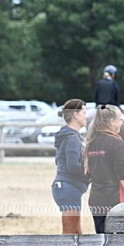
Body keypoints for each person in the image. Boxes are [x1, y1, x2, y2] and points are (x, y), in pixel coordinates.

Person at [84, 104, 124, 233]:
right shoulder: (117, 144)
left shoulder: (91, 143)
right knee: (117, 243)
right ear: (112, 121)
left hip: (96, 200)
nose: (121, 122)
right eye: (120, 119)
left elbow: (88, 172)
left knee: (102, 241)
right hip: (115, 202)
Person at [51, 99, 90, 234]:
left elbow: (59, 161)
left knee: (77, 234)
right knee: (68, 235)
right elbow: (73, 166)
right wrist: (90, 171)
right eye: (84, 112)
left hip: (67, 188)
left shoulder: (70, 136)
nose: (87, 116)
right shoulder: (72, 138)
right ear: (75, 115)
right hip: (69, 188)